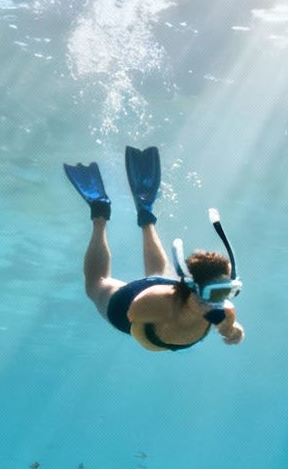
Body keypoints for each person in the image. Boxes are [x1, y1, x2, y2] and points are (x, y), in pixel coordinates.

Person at [65, 146, 245, 352]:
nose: (219, 302)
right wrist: (180, 316)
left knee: (160, 274)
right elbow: (136, 324)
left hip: (170, 292)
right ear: (194, 289)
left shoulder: (224, 311)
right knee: (96, 285)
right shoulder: (152, 302)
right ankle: (99, 211)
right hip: (128, 305)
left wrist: (231, 330)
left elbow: (226, 322)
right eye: (214, 294)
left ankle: (145, 211)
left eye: (228, 292)